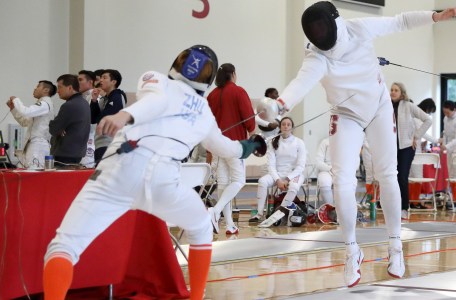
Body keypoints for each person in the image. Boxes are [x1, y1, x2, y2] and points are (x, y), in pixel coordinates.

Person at [42, 45, 264, 300]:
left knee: (63, 247)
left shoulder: (154, 78)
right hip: (163, 182)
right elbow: (228, 148)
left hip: (117, 173)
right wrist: (250, 145)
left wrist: (125, 114)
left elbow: (158, 100)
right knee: (201, 226)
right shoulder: (203, 112)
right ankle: (197, 296)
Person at [266, 1, 456, 286]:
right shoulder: (316, 56)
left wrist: (434, 16)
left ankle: (395, 246)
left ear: (335, 22)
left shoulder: (358, 28)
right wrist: (279, 105)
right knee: (341, 180)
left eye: (323, 28)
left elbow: (400, 21)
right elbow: (300, 84)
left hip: (380, 109)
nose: (320, 35)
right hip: (346, 116)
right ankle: (351, 251)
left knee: (388, 175)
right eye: (314, 31)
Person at [206, 63, 256, 235]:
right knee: (239, 180)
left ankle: (229, 225)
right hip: (235, 145)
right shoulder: (238, 91)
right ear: (233, 74)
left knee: (224, 183)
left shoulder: (212, 95)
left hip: (217, 145)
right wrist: (252, 133)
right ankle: (215, 211)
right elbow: (249, 119)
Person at [390, 83, 432, 219]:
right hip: (391, 147)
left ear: (402, 93)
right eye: (391, 90)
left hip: (407, 147)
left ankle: (404, 208)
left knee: (402, 176)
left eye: (396, 90)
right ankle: (393, 207)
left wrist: (417, 136)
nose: (393, 92)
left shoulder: (408, 106)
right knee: (392, 178)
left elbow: (428, 120)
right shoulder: (386, 106)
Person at [255, 117, 306, 226]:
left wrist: (287, 179)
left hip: (294, 174)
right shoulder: (273, 141)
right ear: (280, 127)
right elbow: (271, 165)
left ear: (292, 127)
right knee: (262, 181)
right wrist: (278, 180)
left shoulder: (299, 142)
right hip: (278, 174)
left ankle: (279, 213)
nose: (286, 126)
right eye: (283, 124)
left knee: (293, 187)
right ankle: (259, 214)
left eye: (288, 124)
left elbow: (300, 166)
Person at [5, 81, 56, 168]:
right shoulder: (41, 106)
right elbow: (24, 122)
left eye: (38, 86)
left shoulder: (45, 104)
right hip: (33, 144)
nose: (35, 88)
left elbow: (26, 111)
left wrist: (16, 100)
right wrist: (13, 109)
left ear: (46, 90)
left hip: (38, 145)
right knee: (29, 171)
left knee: (34, 174)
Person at [49, 74, 91, 166]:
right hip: (78, 152)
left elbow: (54, 129)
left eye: (60, 87)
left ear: (70, 88)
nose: (58, 91)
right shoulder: (84, 103)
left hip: (64, 154)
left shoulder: (69, 105)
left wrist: (58, 128)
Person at [91, 69, 127, 163]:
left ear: (113, 82)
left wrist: (100, 116)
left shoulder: (118, 96)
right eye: (101, 78)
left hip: (110, 143)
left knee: (104, 174)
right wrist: (94, 101)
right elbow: (93, 119)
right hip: (100, 142)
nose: (101, 80)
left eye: (104, 77)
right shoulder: (104, 99)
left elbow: (106, 118)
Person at [408, 98, 437, 206]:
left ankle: (411, 201)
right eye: (429, 111)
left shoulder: (413, 116)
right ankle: (414, 202)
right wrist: (436, 140)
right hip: (415, 151)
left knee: (411, 177)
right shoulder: (416, 117)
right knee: (417, 177)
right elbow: (422, 132)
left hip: (412, 149)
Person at [77, 70, 96, 168]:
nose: (78, 82)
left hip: (90, 139)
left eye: (80, 80)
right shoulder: (80, 97)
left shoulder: (96, 97)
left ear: (90, 82)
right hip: (79, 140)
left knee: (85, 169)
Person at [315, 137, 333, 206]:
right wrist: (330, 168)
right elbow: (318, 162)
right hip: (326, 170)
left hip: (342, 171)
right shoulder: (325, 142)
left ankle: (343, 210)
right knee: (324, 182)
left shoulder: (346, 142)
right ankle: (331, 209)